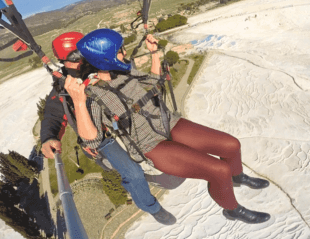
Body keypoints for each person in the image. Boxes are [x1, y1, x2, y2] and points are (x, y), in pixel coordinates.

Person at [64, 28, 271, 224]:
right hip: (151, 143)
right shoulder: (92, 94)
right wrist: (79, 102)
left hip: (167, 122)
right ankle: (232, 209)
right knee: (218, 170)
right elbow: (92, 139)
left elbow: (153, 83)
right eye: (120, 50)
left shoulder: (123, 72)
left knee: (231, 145)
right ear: (106, 58)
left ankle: (237, 177)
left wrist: (154, 53)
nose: (125, 52)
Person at [40, 32, 176, 225]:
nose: (80, 63)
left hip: (123, 117)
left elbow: (136, 80)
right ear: (64, 61)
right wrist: (48, 137)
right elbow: (53, 116)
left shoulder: (101, 66)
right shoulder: (63, 88)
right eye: (74, 59)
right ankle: (152, 207)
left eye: (82, 56)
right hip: (102, 137)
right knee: (133, 173)